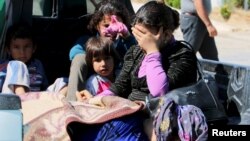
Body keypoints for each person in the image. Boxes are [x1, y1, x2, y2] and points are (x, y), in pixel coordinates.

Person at [76, 1, 198, 140]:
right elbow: (120, 86)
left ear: (166, 34)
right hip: (128, 112)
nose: (139, 41)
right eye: (137, 33)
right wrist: (95, 101)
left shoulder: (181, 55)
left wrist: (152, 52)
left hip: (153, 118)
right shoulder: (136, 52)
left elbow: (159, 92)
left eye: (144, 34)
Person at [66, 0, 137, 101]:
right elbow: (74, 52)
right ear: (97, 26)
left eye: (116, 24)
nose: (111, 29)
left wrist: (127, 37)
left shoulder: (124, 43)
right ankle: (73, 102)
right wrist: (95, 56)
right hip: (92, 86)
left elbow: (139, 55)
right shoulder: (88, 41)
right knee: (79, 59)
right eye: (106, 26)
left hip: (119, 90)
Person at [0, 23, 49, 95]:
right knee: (18, 64)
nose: (22, 52)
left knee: (63, 82)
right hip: (12, 100)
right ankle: (22, 96)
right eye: (16, 47)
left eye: (26, 47)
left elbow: (44, 88)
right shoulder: (5, 65)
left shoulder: (38, 65)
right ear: (8, 50)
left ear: (34, 48)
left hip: (34, 100)